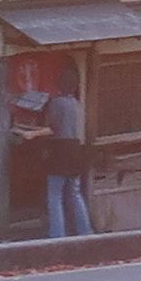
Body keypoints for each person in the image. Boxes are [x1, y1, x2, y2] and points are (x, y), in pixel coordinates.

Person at [41, 65, 94, 238]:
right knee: (75, 193)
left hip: (59, 150)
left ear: (58, 85)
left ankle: (57, 236)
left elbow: (51, 128)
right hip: (76, 149)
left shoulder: (56, 103)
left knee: (54, 195)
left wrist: (30, 132)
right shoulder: (77, 104)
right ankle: (85, 231)